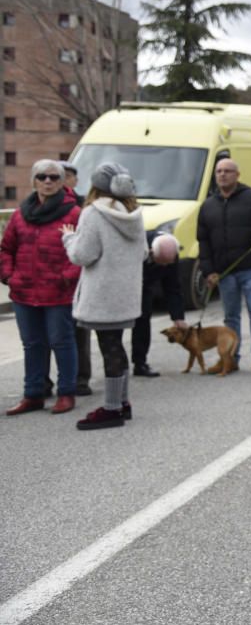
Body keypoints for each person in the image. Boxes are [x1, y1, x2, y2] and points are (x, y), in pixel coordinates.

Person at [61, 162, 146, 430]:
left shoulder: (93, 213)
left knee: (109, 348)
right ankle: (122, 402)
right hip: (126, 294)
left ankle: (112, 409)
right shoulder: (134, 213)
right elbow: (143, 253)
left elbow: (82, 255)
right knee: (117, 346)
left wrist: (68, 239)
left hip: (102, 295)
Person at [1, 160, 81, 416]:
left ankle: (66, 393)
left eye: (54, 177)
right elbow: (6, 248)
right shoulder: (20, 214)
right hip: (23, 292)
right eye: (42, 177)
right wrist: (8, 276)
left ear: (62, 182)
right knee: (32, 344)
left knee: (62, 342)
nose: (48, 181)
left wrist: (66, 277)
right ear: (33, 181)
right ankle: (33, 395)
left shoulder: (74, 214)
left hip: (58, 293)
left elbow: (82, 253)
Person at [197, 158, 251, 376]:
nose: (222, 175)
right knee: (230, 317)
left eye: (227, 171)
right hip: (225, 272)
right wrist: (209, 271)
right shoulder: (207, 206)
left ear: (237, 175)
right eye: (219, 171)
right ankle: (230, 359)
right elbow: (203, 241)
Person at [56, 160, 93, 396]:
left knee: (79, 333)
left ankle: (81, 379)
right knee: (51, 336)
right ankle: (48, 381)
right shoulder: (32, 207)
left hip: (76, 280)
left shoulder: (84, 208)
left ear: (74, 180)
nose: (57, 180)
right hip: (47, 281)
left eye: (65, 175)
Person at [132, 232, 188, 377]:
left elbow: (173, 287)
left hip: (147, 286)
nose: (165, 266)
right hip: (129, 282)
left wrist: (178, 317)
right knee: (117, 326)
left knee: (143, 320)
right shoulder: (138, 244)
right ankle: (117, 365)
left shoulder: (171, 252)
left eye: (168, 263)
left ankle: (140, 363)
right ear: (151, 252)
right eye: (161, 262)